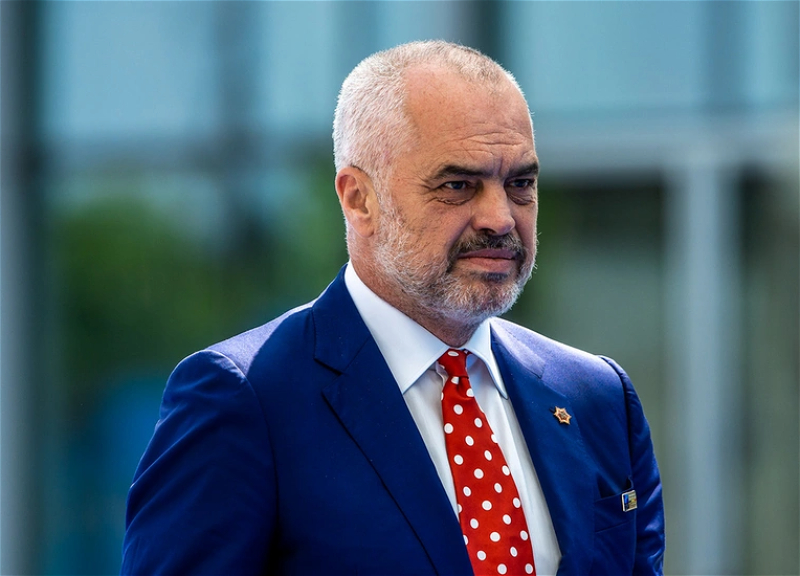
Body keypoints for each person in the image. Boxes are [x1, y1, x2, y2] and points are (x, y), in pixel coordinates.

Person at [121, 40, 665, 576]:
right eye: (458, 185)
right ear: (359, 199)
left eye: (520, 183)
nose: (500, 218)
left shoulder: (596, 398)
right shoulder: (246, 399)